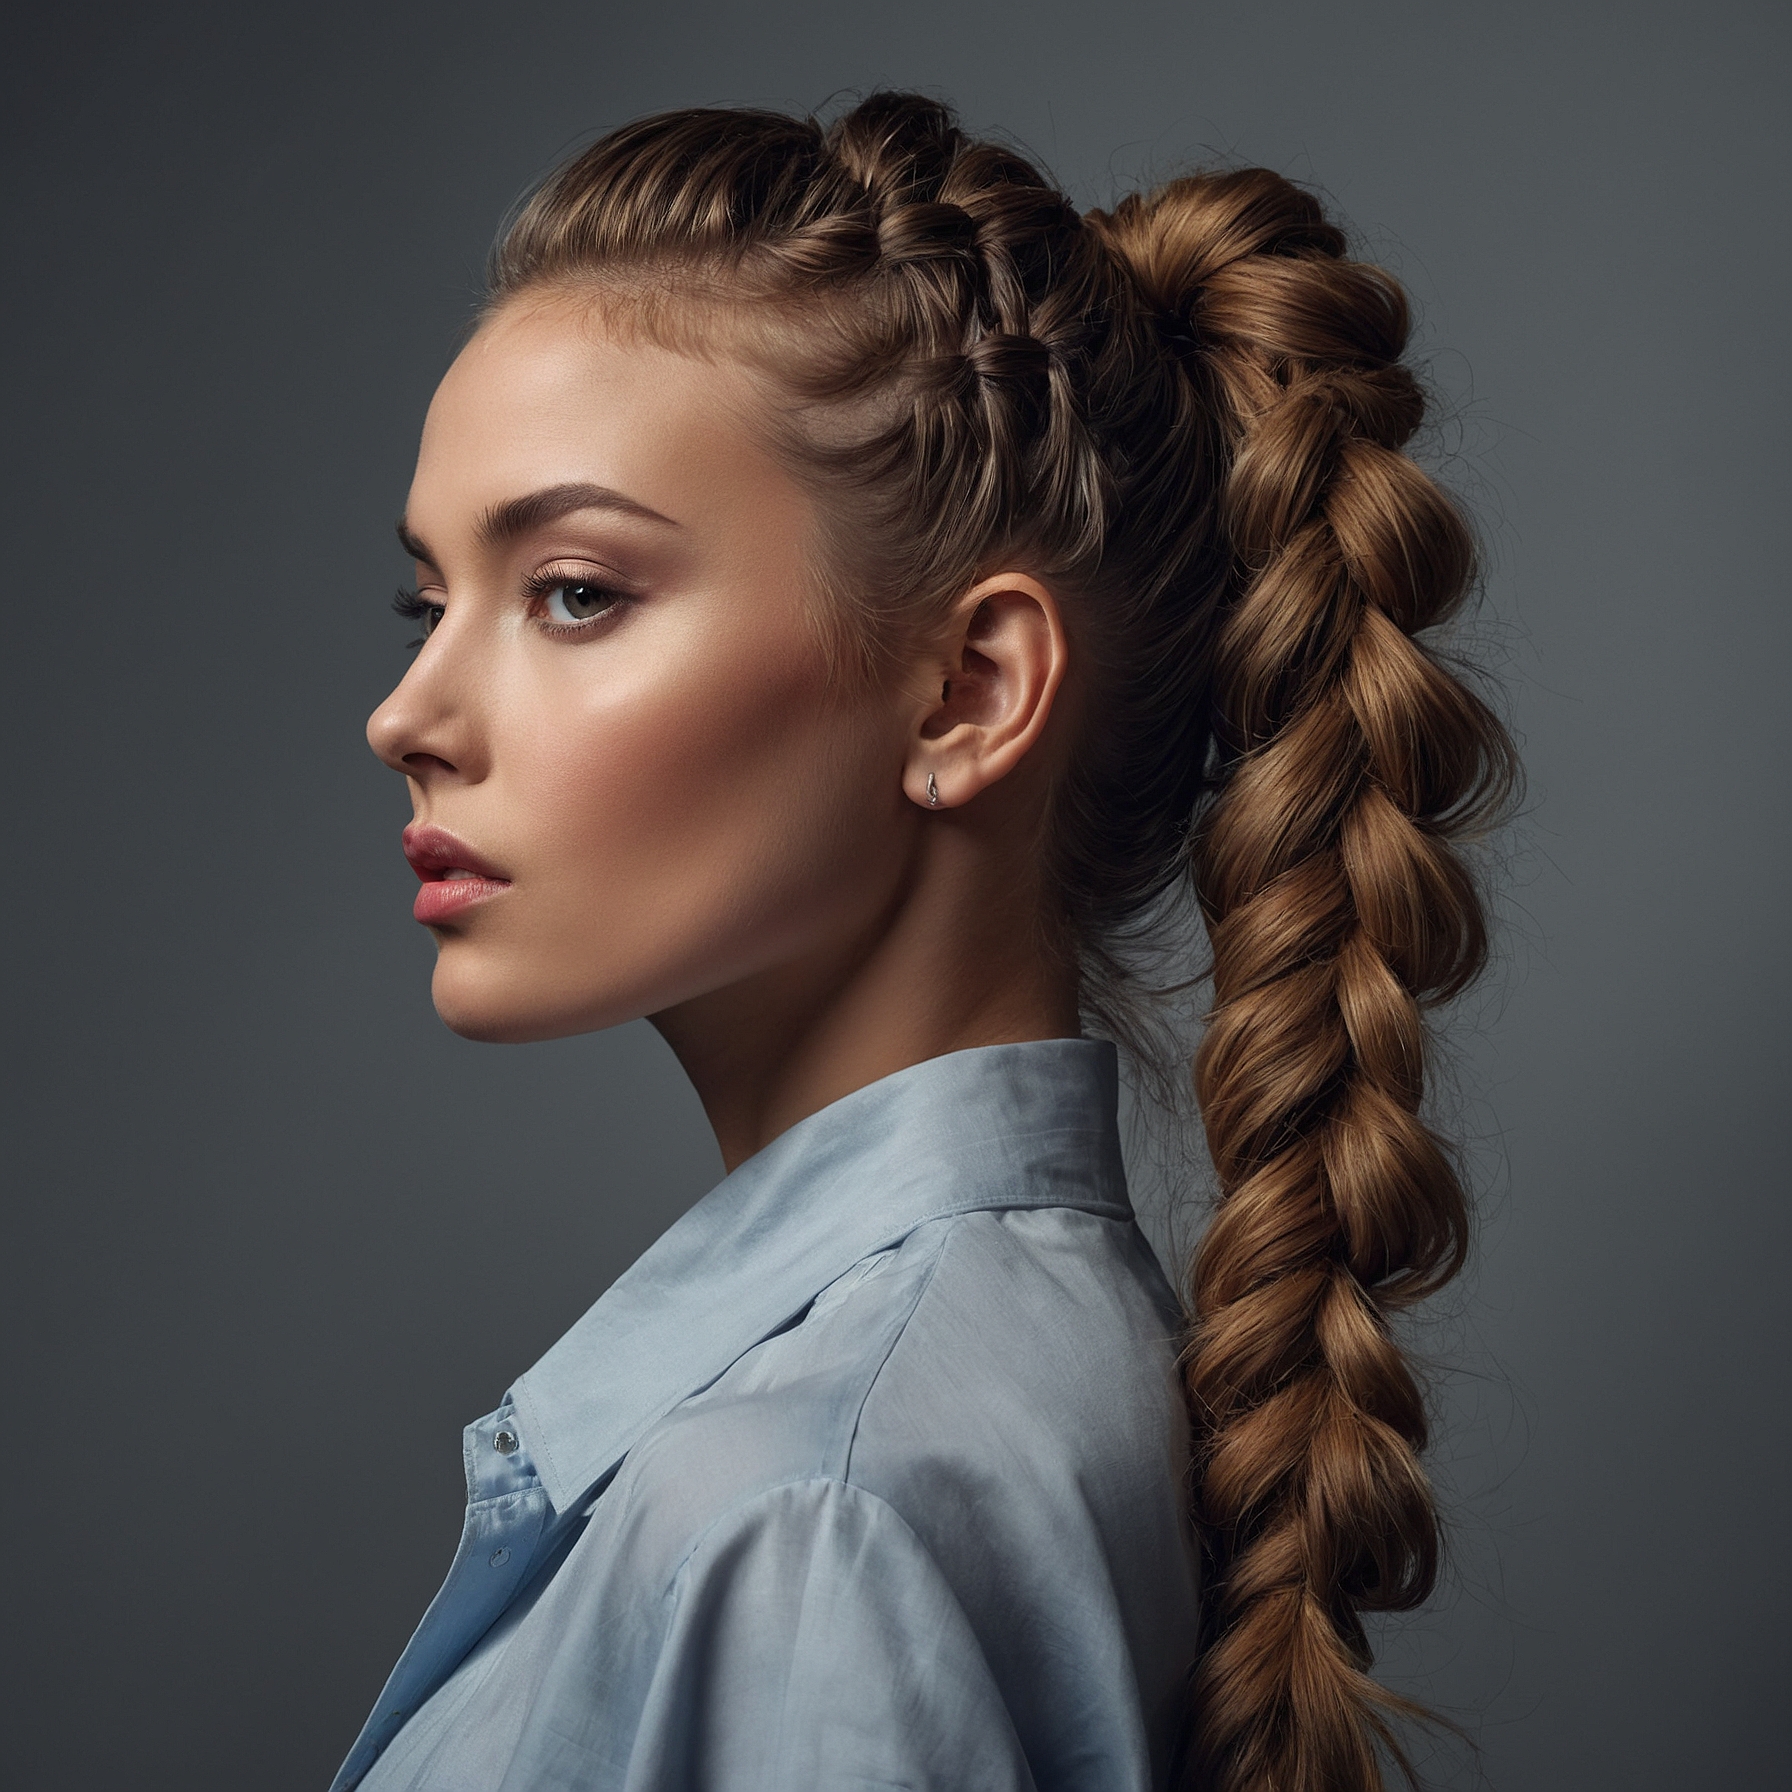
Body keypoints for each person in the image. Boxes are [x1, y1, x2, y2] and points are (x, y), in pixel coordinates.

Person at [336, 92, 1515, 1792]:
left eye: (575, 591)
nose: (408, 714)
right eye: (428, 601)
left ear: (970, 691)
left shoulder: (811, 1509)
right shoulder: (964, 1388)